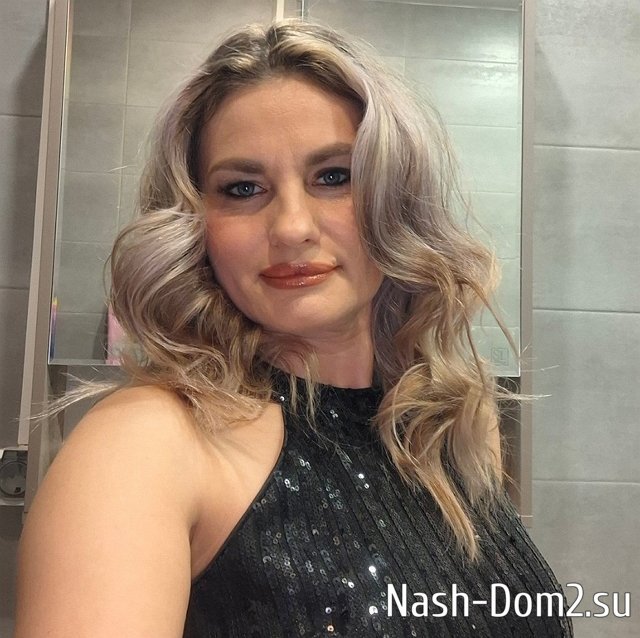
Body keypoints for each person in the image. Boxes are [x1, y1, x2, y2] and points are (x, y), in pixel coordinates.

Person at [14, 20, 572, 638]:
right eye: (242, 188)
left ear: (397, 194)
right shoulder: (145, 446)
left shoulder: (453, 425)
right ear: (195, 223)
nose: (291, 228)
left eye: (334, 176)